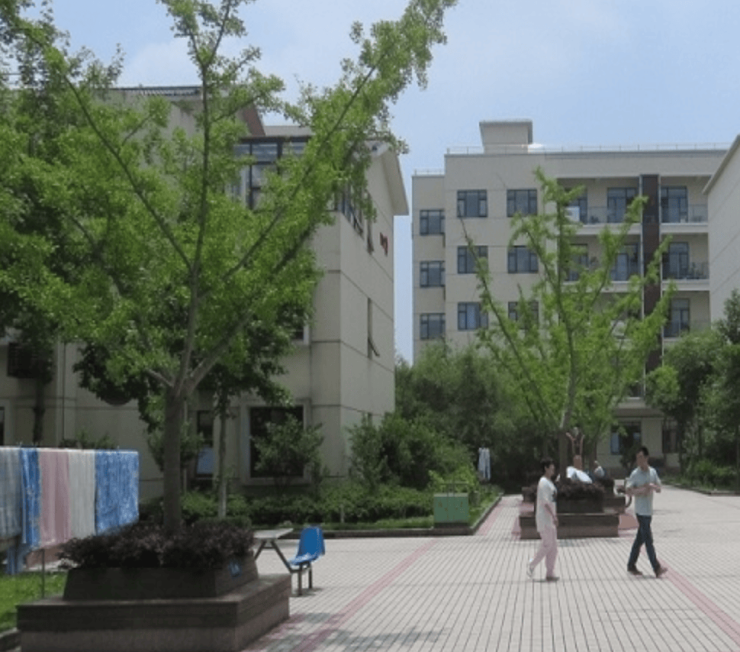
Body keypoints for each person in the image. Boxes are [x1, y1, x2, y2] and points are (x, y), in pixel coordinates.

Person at [625, 445, 667, 578]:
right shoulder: (635, 474)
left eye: (641, 457)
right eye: (637, 458)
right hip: (640, 511)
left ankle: (631, 565)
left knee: (639, 540)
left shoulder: (652, 472)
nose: (639, 460)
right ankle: (656, 567)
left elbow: (659, 488)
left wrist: (652, 487)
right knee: (648, 540)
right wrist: (642, 490)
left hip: (649, 512)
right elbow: (628, 490)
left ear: (647, 458)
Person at [527, 457, 559, 582]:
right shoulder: (543, 483)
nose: (553, 468)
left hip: (550, 519)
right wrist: (553, 516)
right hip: (545, 519)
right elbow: (545, 503)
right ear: (546, 468)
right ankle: (532, 564)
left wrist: (554, 516)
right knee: (547, 544)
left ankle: (550, 573)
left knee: (553, 547)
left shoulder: (549, 482)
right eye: (551, 466)